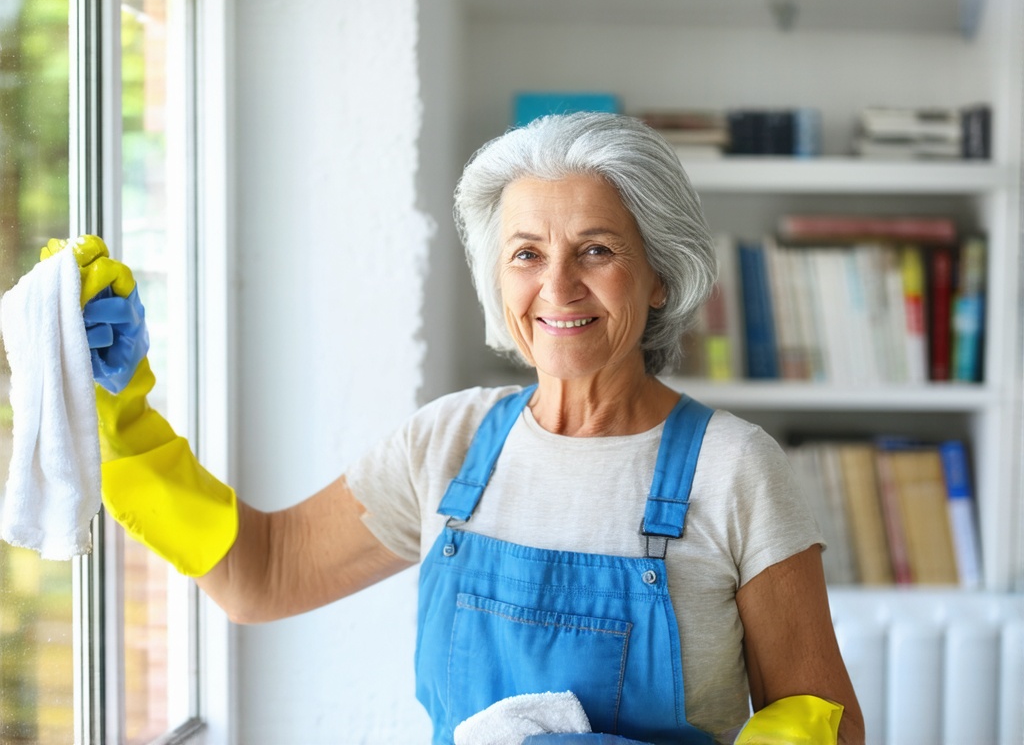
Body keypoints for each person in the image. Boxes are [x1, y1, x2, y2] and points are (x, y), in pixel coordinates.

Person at [52, 112, 864, 744]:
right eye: (525, 254)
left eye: (596, 249)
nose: (558, 286)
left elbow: (821, 715)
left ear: (659, 275)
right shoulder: (450, 443)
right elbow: (263, 574)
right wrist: (119, 416)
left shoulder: (733, 470)